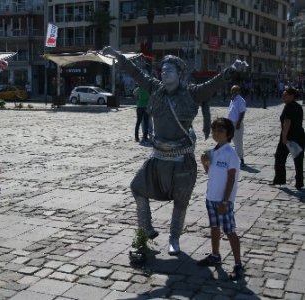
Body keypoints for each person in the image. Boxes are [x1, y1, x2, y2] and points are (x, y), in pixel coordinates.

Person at [102, 46, 247, 255]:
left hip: (181, 160)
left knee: (180, 202)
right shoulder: (155, 88)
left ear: (180, 74)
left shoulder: (192, 93)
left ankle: (174, 238)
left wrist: (231, 69)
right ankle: (146, 229)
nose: (164, 72)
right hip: (158, 156)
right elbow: (135, 72)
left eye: (169, 70)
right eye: (163, 69)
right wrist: (117, 56)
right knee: (137, 187)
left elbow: (214, 84)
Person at [198, 117, 243, 281]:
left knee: (230, 231)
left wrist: (225, 201)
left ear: (228, 133)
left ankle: (238, 264)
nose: (216, 133)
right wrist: (204, 164)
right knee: (214, 227)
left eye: (220, 130)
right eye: (214, 130)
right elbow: (211, 174)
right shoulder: (213, 151)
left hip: (224, 200)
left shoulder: (230, 154)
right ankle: (215, 255)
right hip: (211, 197)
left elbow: (231, 179)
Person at [271, 87, 305, 190]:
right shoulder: (299, 107)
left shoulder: (288, 107)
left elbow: (287, 122)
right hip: (299, 136)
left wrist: (284, 137)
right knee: (298, 160)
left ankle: (280, 180)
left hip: (288, 138)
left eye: (285, 95)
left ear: (291, 96)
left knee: (280, 158)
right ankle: (299, 183)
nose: (283, 96)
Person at [228, 85, 246, 166]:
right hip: (231, 123)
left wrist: (238, 123)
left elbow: (242, 112)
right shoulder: (233, 99)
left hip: (236, 123)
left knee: (238, 142)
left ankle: (241, 158)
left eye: (235, 91)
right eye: (232, 90)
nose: (233, 92)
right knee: (232, 141)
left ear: (239, 91)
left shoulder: (240, 100)